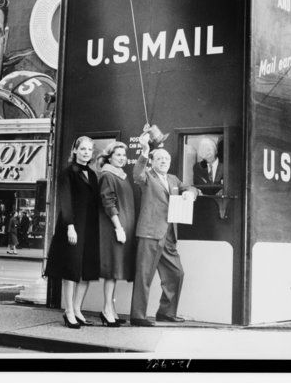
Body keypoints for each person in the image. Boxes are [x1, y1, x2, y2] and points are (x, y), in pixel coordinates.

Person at [130, 133, 200, 327]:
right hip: (150, 233)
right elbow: (137, 173)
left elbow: (192, 188)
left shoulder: (173, 179)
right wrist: (144, 152)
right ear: (152, 161)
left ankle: (166, 313)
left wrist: (190, 194)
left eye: (167, 159)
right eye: (159, 158)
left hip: (169, 235)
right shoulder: (146, 176)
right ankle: (138, 316)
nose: (164, 161)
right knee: (144, 276)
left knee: (176, 274)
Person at [44, 136, 100, 329]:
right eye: (83, 149)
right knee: (71, 269)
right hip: (73, 226)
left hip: (89, 228)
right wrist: (70, 226)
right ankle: (68, 312)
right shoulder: (67, 173)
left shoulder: (92, 174)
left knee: (86, 271)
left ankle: (77, 310)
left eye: (89, 150)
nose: (86, 153)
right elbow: (65, 201)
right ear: (75, 150)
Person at [97, 141, 136, 327]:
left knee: (116, 270)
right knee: (112, 271)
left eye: (123, 155)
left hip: (122, 229)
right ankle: (106, 310)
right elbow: (108, 203)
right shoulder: (107, 175)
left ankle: (110, 309)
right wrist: (118, 227)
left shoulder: (120, 175)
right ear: (109, 157)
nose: (122, 158)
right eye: (118, 155)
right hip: (114, 229)